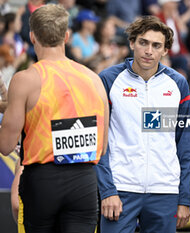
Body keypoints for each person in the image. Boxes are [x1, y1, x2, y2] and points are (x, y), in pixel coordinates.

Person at [0, 4, 109, 233]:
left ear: (32, 36)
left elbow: (6, 145)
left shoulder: (25, 80)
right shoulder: (94, 79)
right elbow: (103, 146)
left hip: (43, 180)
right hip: (85, 181)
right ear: (67, 36)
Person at [95, 15, 190, 233]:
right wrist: (107, 190)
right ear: (132, 43)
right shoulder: (109, 79)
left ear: (165, 50)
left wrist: (184, 197)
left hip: (165, 191)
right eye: (143, 42)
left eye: (156, 45)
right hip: (120, 189)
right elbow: (99, 141)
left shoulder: (178, 83)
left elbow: (184, 144)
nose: (149, 50)